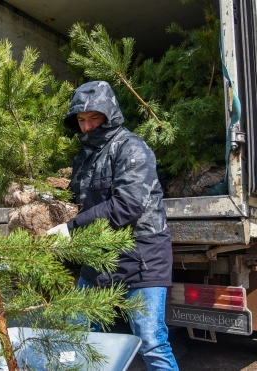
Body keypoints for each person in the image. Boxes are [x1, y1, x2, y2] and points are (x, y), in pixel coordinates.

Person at [47, 81, 178, 371]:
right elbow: (78, 200)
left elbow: (128, 205)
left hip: (142, 258)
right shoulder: (84, 157)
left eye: (94, 118)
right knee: (78, 332)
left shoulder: (131, 147)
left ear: (110, 115)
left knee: (151, 340)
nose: (88, 126)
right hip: (98, 260)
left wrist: (71, 228)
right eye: (81, 120)